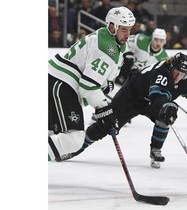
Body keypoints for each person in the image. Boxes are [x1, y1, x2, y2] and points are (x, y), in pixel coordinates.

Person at [71, 52, 187, 169]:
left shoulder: (184, 77)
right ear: (171, 66)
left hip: (150, 100)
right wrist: (167, 105)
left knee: (166, 115)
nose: (178, 77)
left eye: (183, 74)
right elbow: (157, 97)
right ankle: (75, 148)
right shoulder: (160, 72)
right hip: (131, 96)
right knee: (107, 124)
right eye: (176, 72)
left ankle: (155, 150)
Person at [48, 6, 136, 162]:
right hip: (62, 85)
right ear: (111, 26)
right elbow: (88, 86)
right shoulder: (106, 49)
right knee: (74, 138)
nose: (127, 35)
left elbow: (96, 78)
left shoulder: (107, 39)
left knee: (52, 135)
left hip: (57, 81)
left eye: (129, 29)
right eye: (124, 30)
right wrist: (104, 108)